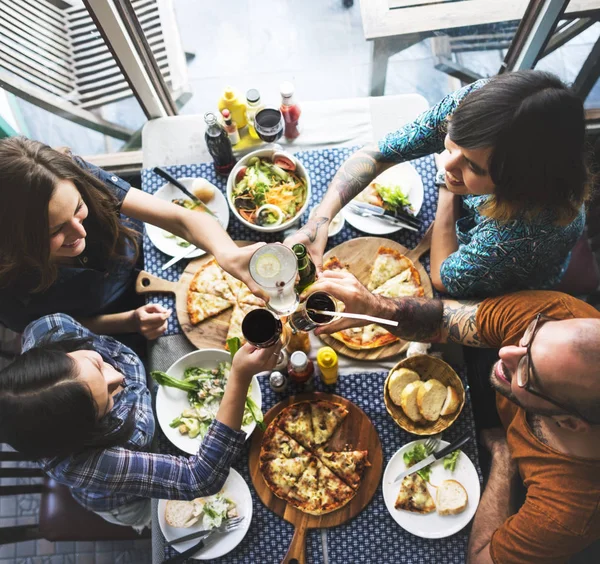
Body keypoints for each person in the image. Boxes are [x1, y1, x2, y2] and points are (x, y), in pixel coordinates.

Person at [305, 270, 600, 563]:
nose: (505, 352)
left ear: (570, 423)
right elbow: (444, 321)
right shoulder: (557, 317)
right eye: (529, 339)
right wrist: (375, 307)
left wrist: (504, 457)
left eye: (528, 370)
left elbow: (480, 559)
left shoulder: (569, 511)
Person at [285, 71, 589, 298]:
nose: (447, 164)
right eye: (452, 146)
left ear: (517, 184)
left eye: (472, 165)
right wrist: (319, 221)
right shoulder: (476, 104)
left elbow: (443, 278)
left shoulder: (517, 235)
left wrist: (446, 194)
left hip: (518, 285)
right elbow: (379, 153)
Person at [0, 313, 279, 530]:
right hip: (126, 501)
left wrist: (133, 319)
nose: (119, 378)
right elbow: (198, 478)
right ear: (87, 432)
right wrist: (239, 377)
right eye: (108, 399)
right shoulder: (84, 464)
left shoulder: (48, 328)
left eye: (97, 365)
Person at [0, 137, 265, 339]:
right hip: (107, 314)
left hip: (143, 253)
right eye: (55, 231)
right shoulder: (8, 289)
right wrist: (129, 322)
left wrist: (227, 254)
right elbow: (52, 327)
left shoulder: (67, 172)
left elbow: (181, 219)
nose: (80, 233)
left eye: (79, 208)